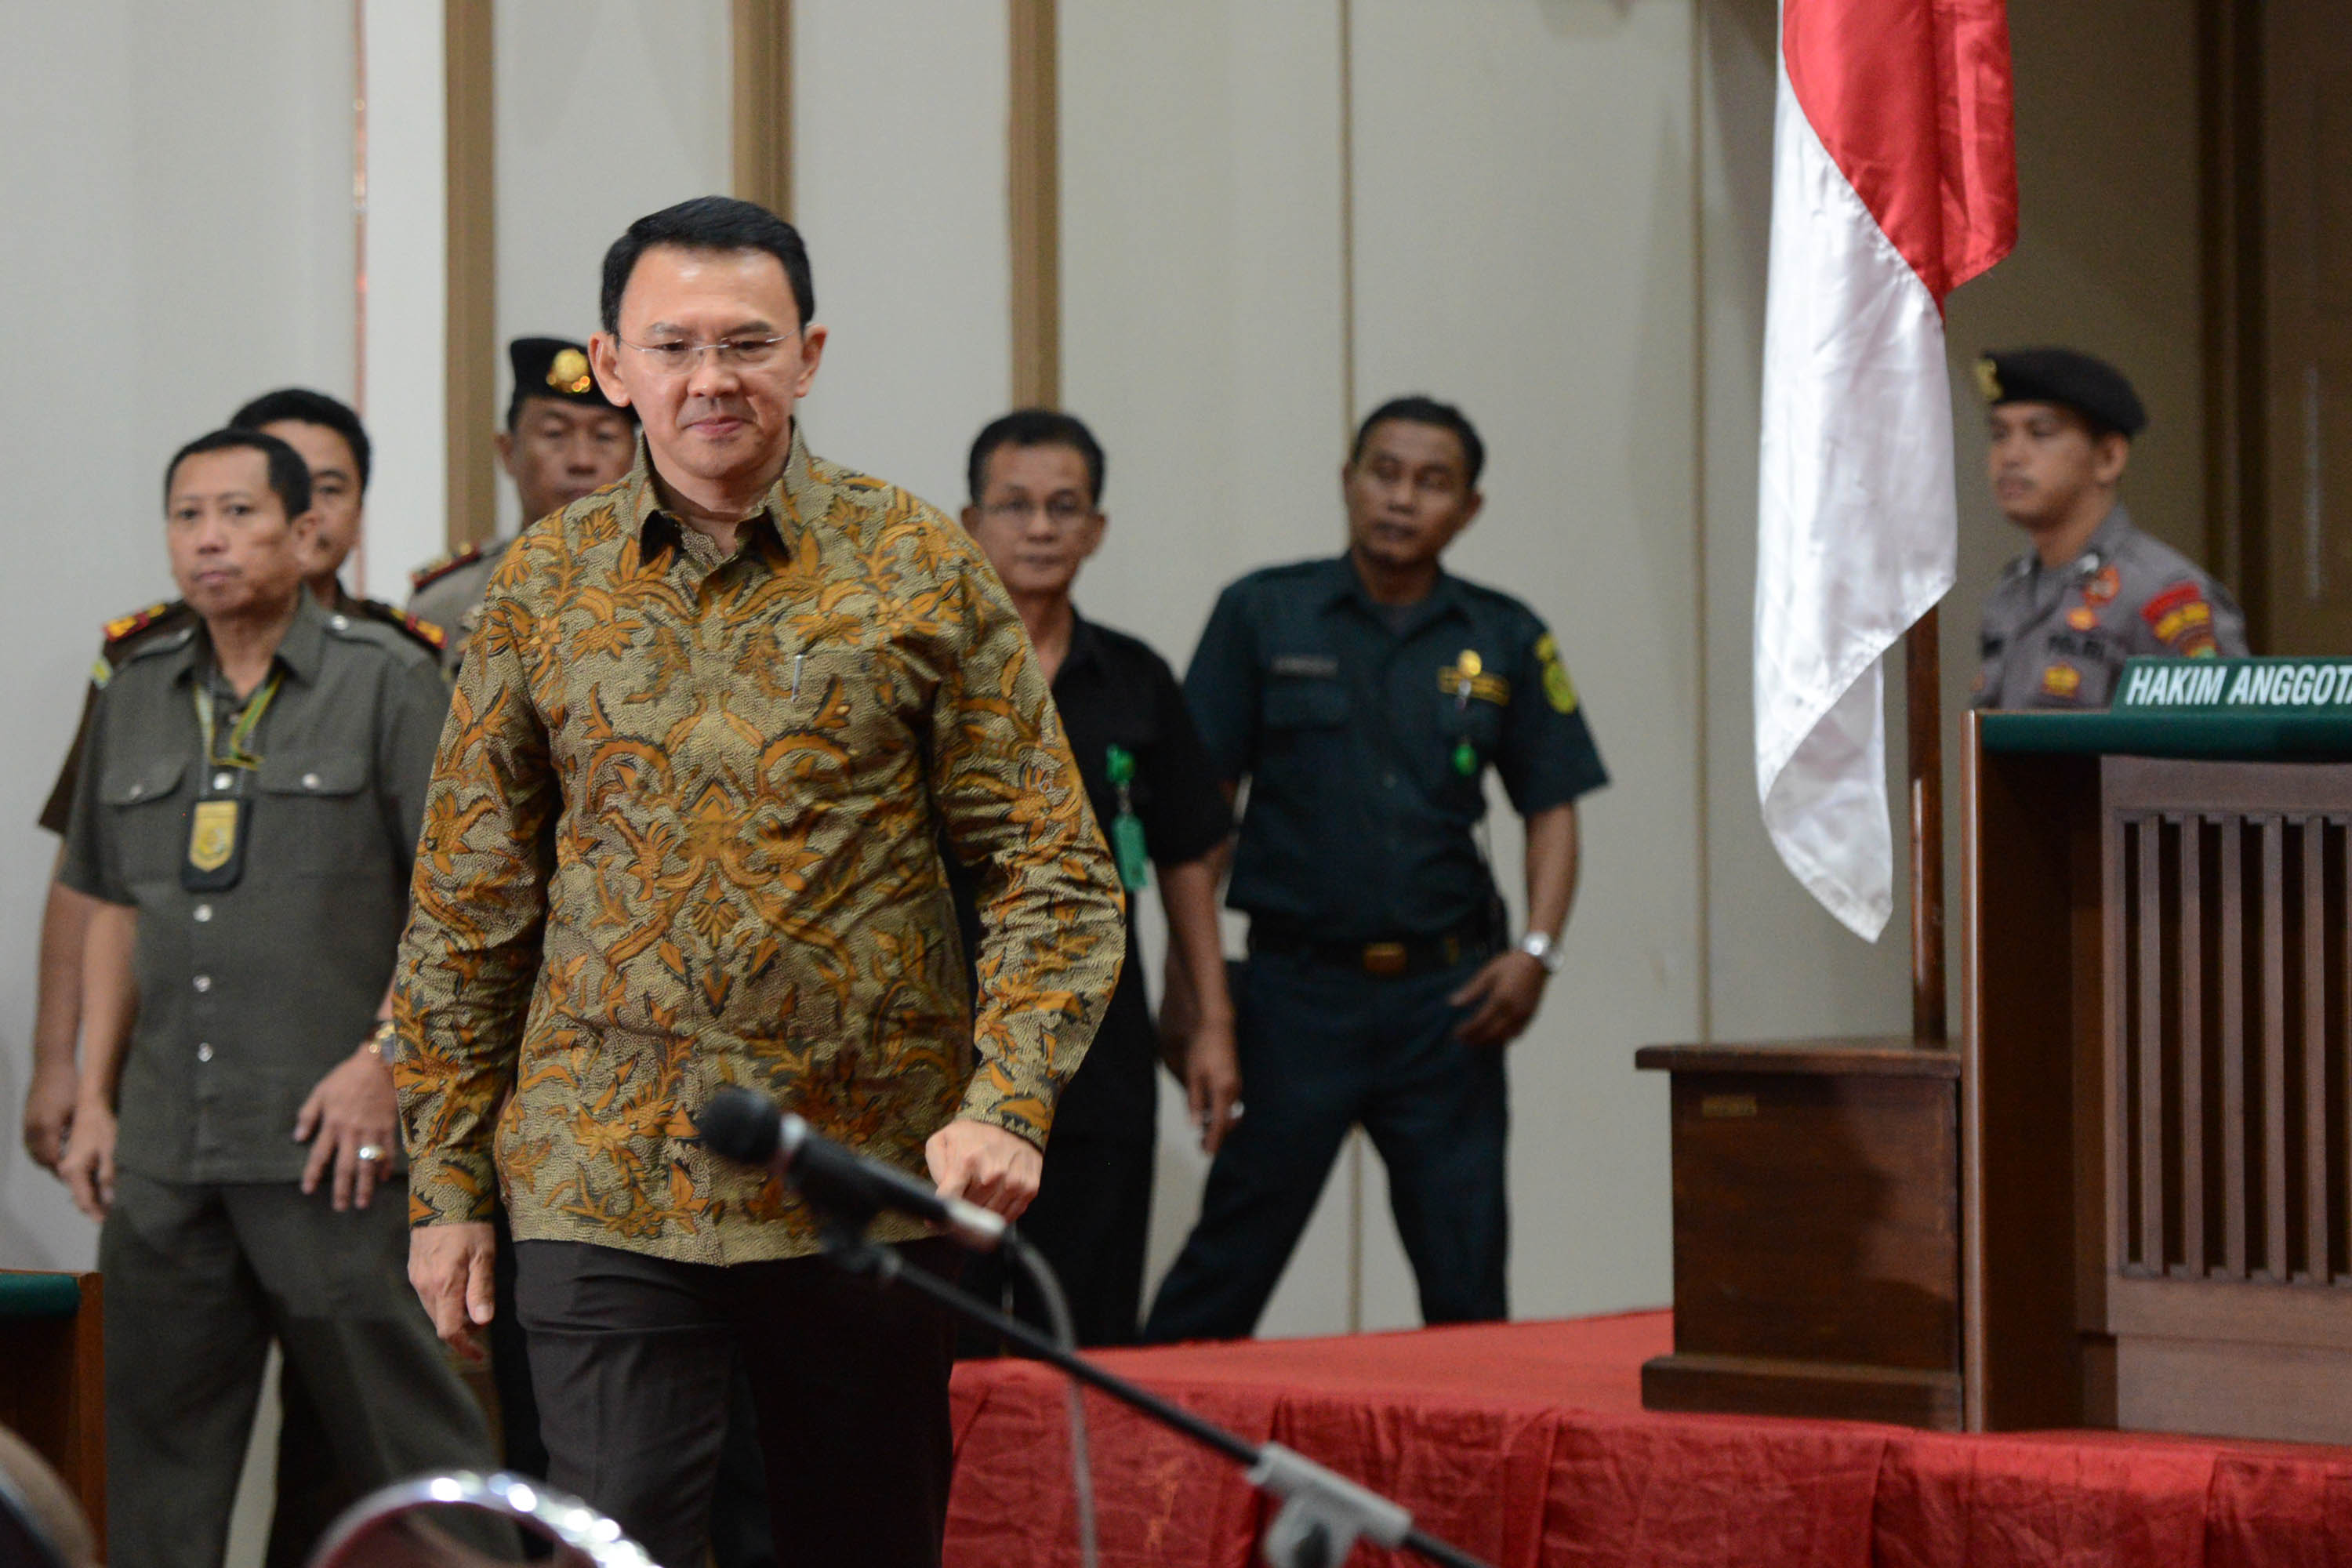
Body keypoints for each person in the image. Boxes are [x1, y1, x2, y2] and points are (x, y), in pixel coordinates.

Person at [390, 196, 1126, 1568]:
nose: (711, 379)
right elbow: (468, 907)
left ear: (809, 355)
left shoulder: (915, 563)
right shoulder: (542, 587)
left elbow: (1052, 868)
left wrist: (1008, 1100)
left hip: (862, 1172)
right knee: (616, 1546)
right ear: (615, 367)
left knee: (864, 1541)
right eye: (673, 346)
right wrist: (446, 1188)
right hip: (604, 1173)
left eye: (747, 343)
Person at [51, 428, 502, 1568]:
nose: (210, 539)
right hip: (169, 1149)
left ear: (305, 535)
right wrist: (94, 1096)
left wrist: (388, 1058)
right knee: (154, 1478)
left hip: (331, 1149)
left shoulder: (386, 678)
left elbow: (456, 896)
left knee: (412, 1452)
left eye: (239, 513)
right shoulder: (137, 688)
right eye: (188, 515)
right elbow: (113, 905)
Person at [1142, 395, 1609, 1344]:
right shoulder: (1261, 612)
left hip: (1449, 1006)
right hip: (1293, 997)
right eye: (1384, 473)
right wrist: (1196, 996)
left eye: (1431, 482)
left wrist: (1536, 950)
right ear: (1348, 481)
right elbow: (1196, 827)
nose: (1401, 498)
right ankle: (1134, 1439)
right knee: (1223, 1273)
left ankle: (1475, 1446)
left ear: (1468, 508)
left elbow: (1553, 805)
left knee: (1468, 1285)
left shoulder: (1506, 633)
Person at [949, 409, 1240, 1351]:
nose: (1040, 527)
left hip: (1100, 1048)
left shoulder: (1136, 678)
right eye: (1016, 505)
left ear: (1097, 528)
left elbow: (1188, 855)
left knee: (1087, 1332)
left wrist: (1211, 1021)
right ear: (971, 522)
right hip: (948, 1047)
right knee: (942, 1336)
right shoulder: (926, 668)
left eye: (1064, 507)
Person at [1971, 347, 2249, 709]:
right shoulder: (2012, 591)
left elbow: (2224, 733)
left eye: (2040, 433)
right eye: (1999, 434)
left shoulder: (2161, 594)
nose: (2010, 456)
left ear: (2108, 458)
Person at [408, 337, 639, 674]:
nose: (582, 461)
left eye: (604, 436)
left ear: (637, 458)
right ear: (507, 452)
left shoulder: (673, 591)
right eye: (555, 434)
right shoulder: (447, 602)